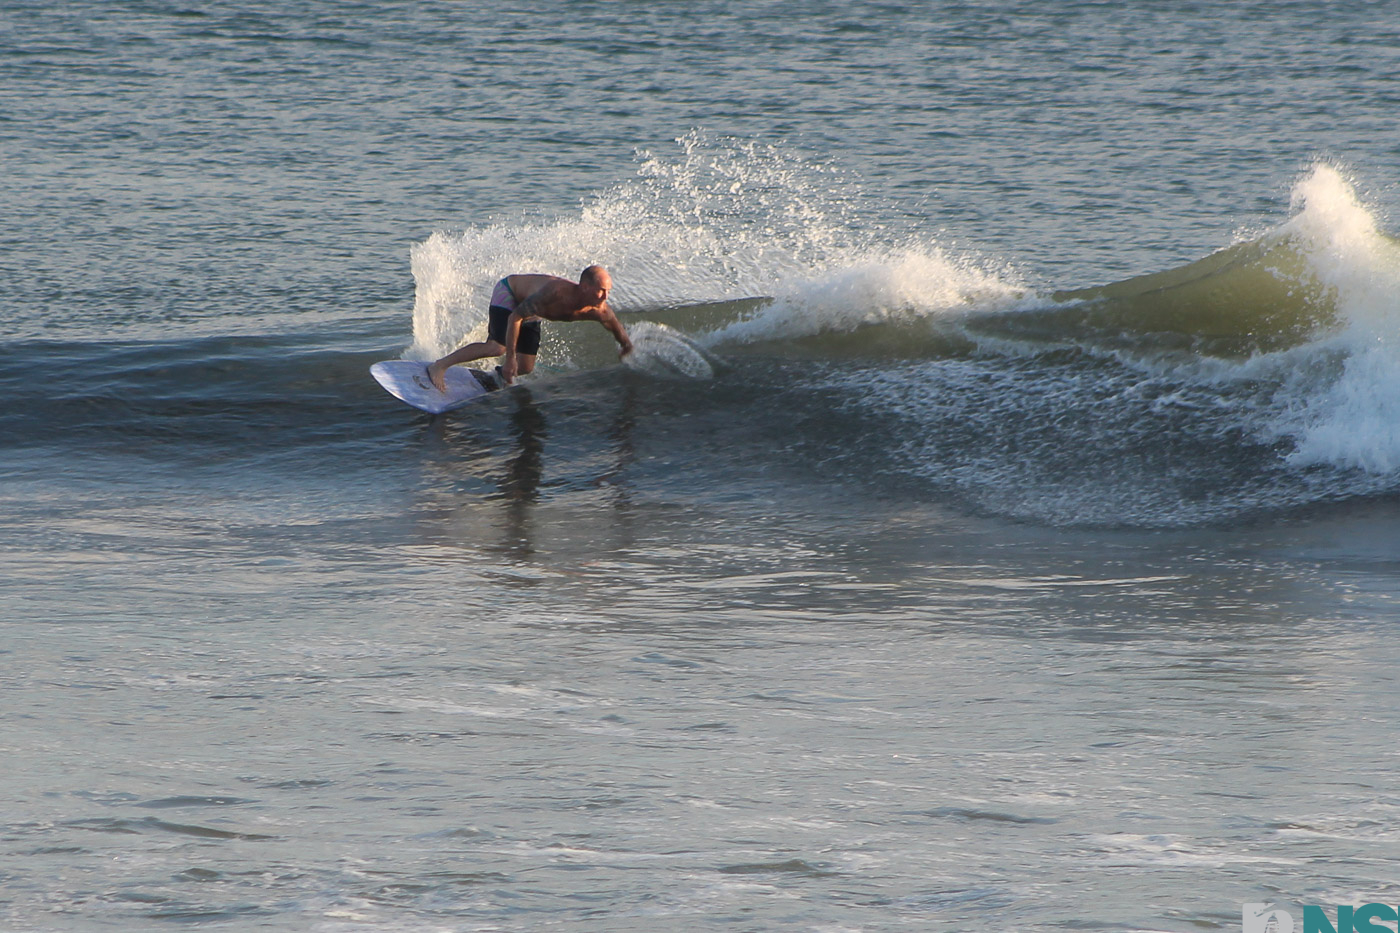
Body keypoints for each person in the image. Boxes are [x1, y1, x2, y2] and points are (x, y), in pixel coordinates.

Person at [427, 265, 632, 390]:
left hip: (531, 309)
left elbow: (616, 329)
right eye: (601, 291)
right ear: (585, 287)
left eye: (608, 291)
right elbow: (515, 317)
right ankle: (439, 365)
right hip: (509, 293)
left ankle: (494, 378)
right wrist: (509, 359)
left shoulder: (600, 310)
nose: (606, 297)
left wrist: (626, 347)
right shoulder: (555, 293)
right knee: (497, 347)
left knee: (525, 367)